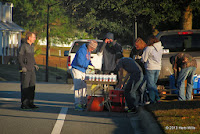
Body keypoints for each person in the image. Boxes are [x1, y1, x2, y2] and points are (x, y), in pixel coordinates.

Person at [71, 40, 98, 111]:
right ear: (90, 46)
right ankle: (77, 104)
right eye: (92, 49)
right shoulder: (82, 50)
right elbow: (80, 62)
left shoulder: (88, 50)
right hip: (77, 69)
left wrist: (91, 65)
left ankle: (83, 102)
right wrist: (88, 66)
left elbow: (88, 60)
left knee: (84, 87)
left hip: (83, 70)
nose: (92, 50)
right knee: (78, 87)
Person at [18, 32, 39, 109]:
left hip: (31, 69)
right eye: (33, 37)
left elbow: (32, 57)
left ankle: (31, 103)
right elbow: (20, 57)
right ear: (29, 38)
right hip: (25, 69)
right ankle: (24, 104)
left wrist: (35, 64)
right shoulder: (23, 46)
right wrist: (22, 66)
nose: (35, 39)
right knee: (25, 86)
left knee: (32, 86)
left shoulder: (32, 46)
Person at [141, 35, 163, 104]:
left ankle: (155, 99)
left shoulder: (148, 48)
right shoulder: (161, 48)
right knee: (153, 84)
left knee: (151, 85)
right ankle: (154, 99)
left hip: (150, 67)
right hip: (158, 68)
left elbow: (144, 59)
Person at [130, 38, 148, 105]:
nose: (136, 47)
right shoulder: (134, 50)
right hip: (135, 72)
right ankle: (138, 101)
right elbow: (130, 58)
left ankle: (144, 100)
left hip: (143, 71)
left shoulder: (145, 50)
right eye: (135, 45)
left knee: (142, 88)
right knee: (136, 88)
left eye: (137, 45)